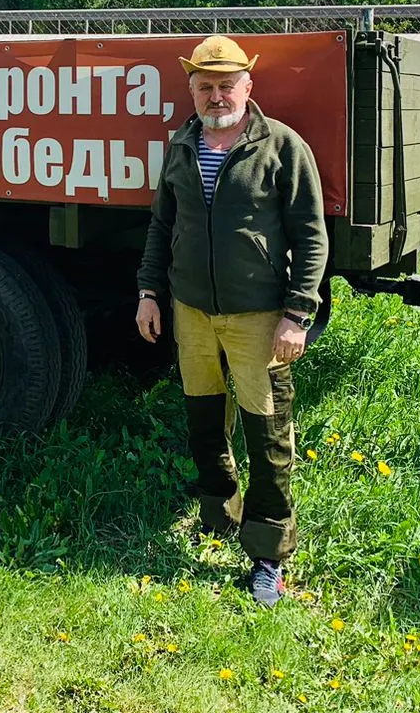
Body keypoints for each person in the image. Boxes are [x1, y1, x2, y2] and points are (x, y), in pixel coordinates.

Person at [134, 35, 327, 607]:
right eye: (205, 87)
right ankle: (219, 513)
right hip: (191, 310)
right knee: (203, 420)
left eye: (226, 85)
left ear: (248, 86)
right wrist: (149, 292)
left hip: (258, 316)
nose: (215, 96)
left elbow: (311, 235)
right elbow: (162, 225)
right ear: (192, 90)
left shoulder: (282, 146)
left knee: (267, 433)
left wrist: (297, 314)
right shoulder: (182, 144)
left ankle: (268, 554)